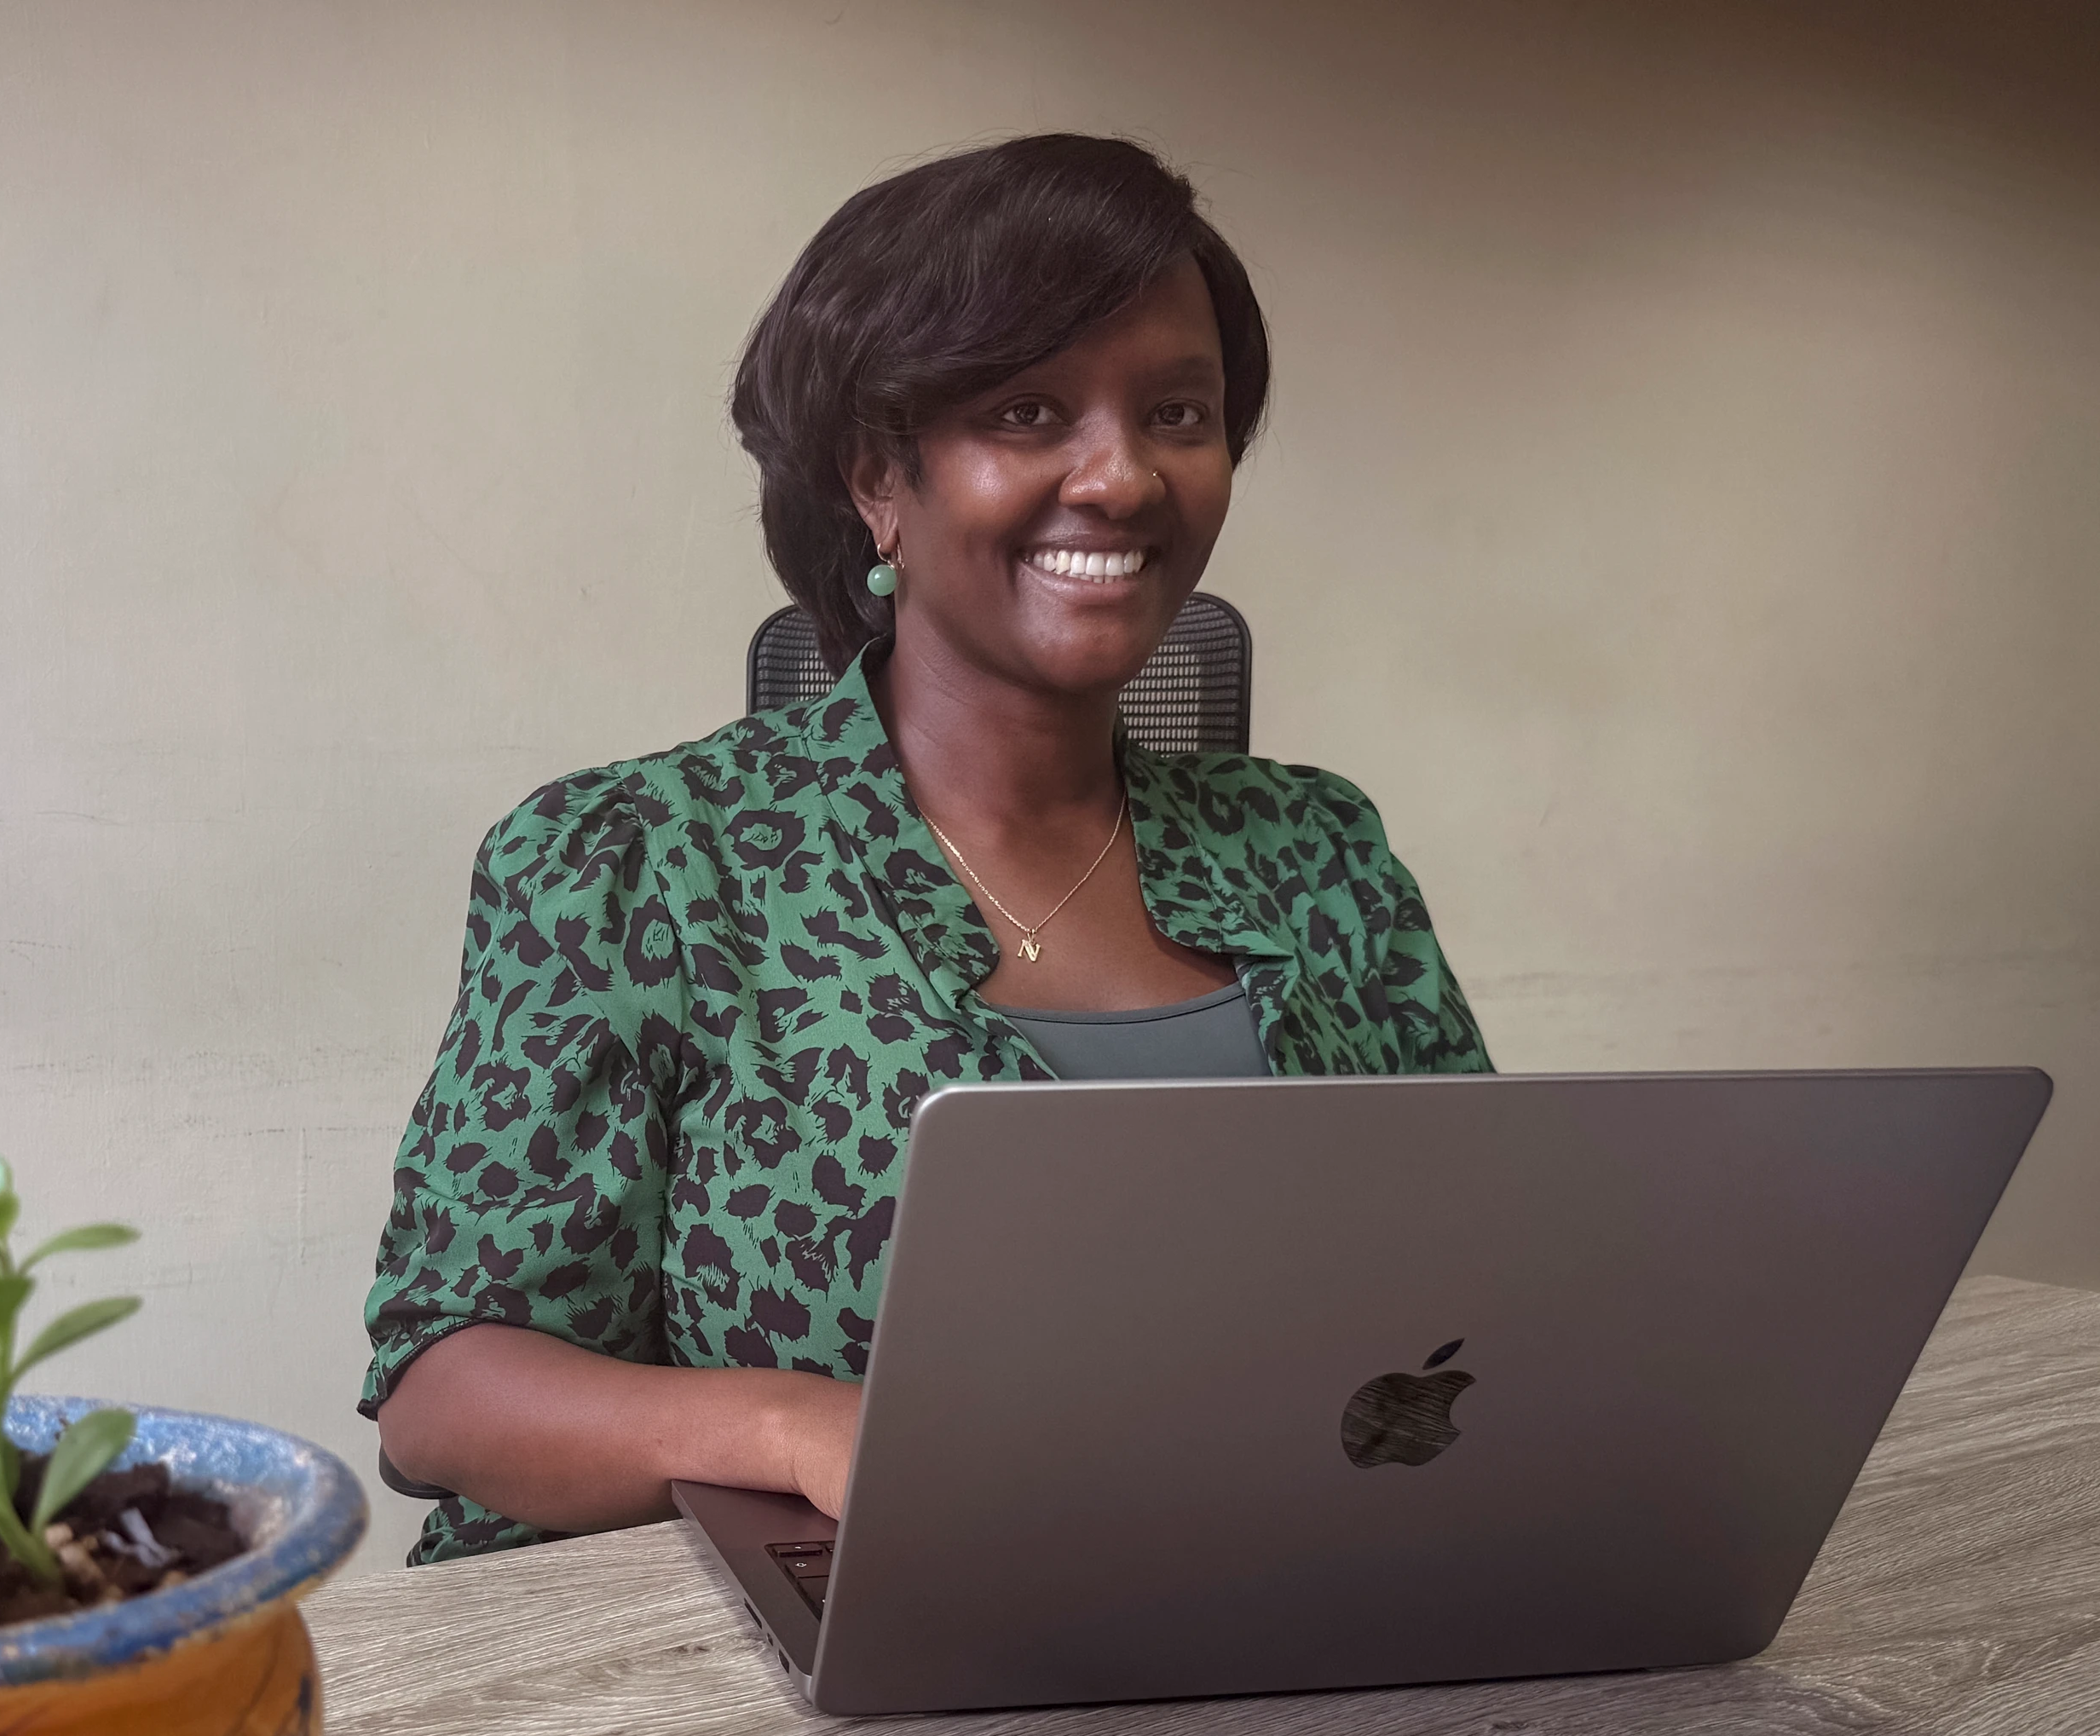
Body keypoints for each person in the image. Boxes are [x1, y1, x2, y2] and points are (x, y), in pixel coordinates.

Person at [360, 134, 1491, 1566]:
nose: (1123, 476)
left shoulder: (1321, 852)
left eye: (1178, 413)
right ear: (876, 480)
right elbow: (445, 1394)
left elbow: (1489, 1283)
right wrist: (803, 1430)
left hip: (1297, 1587)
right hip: (828, 1638)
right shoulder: (635, 860)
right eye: (1026, 411)